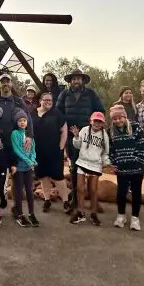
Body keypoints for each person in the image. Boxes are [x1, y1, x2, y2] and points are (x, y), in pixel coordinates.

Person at [0, 73, 33, 221]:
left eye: (7, 81)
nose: (5, 83)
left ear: (11, 83)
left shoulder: (18, 102)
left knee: (17, 180)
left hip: (16, 145)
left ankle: (17, 209)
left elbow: (28, 119)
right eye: (2, 81)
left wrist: (29, 136)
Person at [56, 69, 104, 212]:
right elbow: (58, 112)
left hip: (88, 135)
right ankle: (75, 199)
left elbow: (100, 111)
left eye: (79, 79)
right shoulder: (64, 94)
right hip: (71, 135)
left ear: (83, 80)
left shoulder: (91, 94)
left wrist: (94, 126)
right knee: (74, 166)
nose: (76, 81)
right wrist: (62, 128)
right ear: (70, 81)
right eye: (74, 79)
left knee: (91, 166)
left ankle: (91, 199)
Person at [107, 105, 144, 231]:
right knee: (121, 193)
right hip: (121, 168)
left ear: (125, 116)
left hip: (136, 167)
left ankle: (135, 218)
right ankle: (121, 216)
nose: (118, 121)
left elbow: (143, 145)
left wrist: (138, 161)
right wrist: (113, 163)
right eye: (114, 119)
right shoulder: (111, 131)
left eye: (120, 117)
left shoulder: (136, 127)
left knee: (136, 193)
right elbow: (110, 149)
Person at [69, 112, 111, 226]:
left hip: (95, 165)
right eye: (95, 121)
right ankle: (80, 212)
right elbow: (77, 146)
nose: (97, 123)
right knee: (80, 189)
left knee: (93, 190)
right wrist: (76, 136)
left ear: (103, 123)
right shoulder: (84, 130)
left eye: (99, 121)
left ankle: (93, 213)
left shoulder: (104, 135)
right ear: (91, 121)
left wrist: (106, 162)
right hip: (83, 162)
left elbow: (105, 152)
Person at [31, 91, 69, 213]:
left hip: (54, 151)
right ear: (40, 101)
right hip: (38, 152)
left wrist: (61, 148)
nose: (48, 102)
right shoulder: (32, 114)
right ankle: (47, 200)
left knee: (58, 177)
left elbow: (64, 131)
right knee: (43, 177)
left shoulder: (56, 114)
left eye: (50, 100)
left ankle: (65, 202)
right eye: (45, 100)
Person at [10, 110, 38, 228]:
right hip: (19, 167)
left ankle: (31, 213)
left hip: (28, 168)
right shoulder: (14, 134)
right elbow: (17, 150)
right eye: (20, 121)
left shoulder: (29, 135)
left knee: (29, 191)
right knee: (19, 191)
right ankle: (19, 214)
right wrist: (28, 161)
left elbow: (33, 150)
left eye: (24, 120)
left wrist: (32, 160)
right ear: (17, 122)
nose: (22, 122)